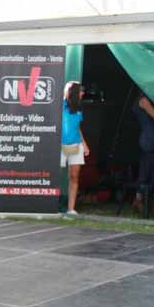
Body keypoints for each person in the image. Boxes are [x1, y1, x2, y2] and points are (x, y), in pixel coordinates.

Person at [60, 81, 90, 215]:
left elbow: (77, 127)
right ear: (74, 92)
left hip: (75, 145)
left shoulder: (79, 109)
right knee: (54, 174)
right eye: (81, 91)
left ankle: (71, 209)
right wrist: (70, 85)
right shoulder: (61, 105)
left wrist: (85, 144)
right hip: (60, 145)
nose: (83, 93)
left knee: (74, 176)